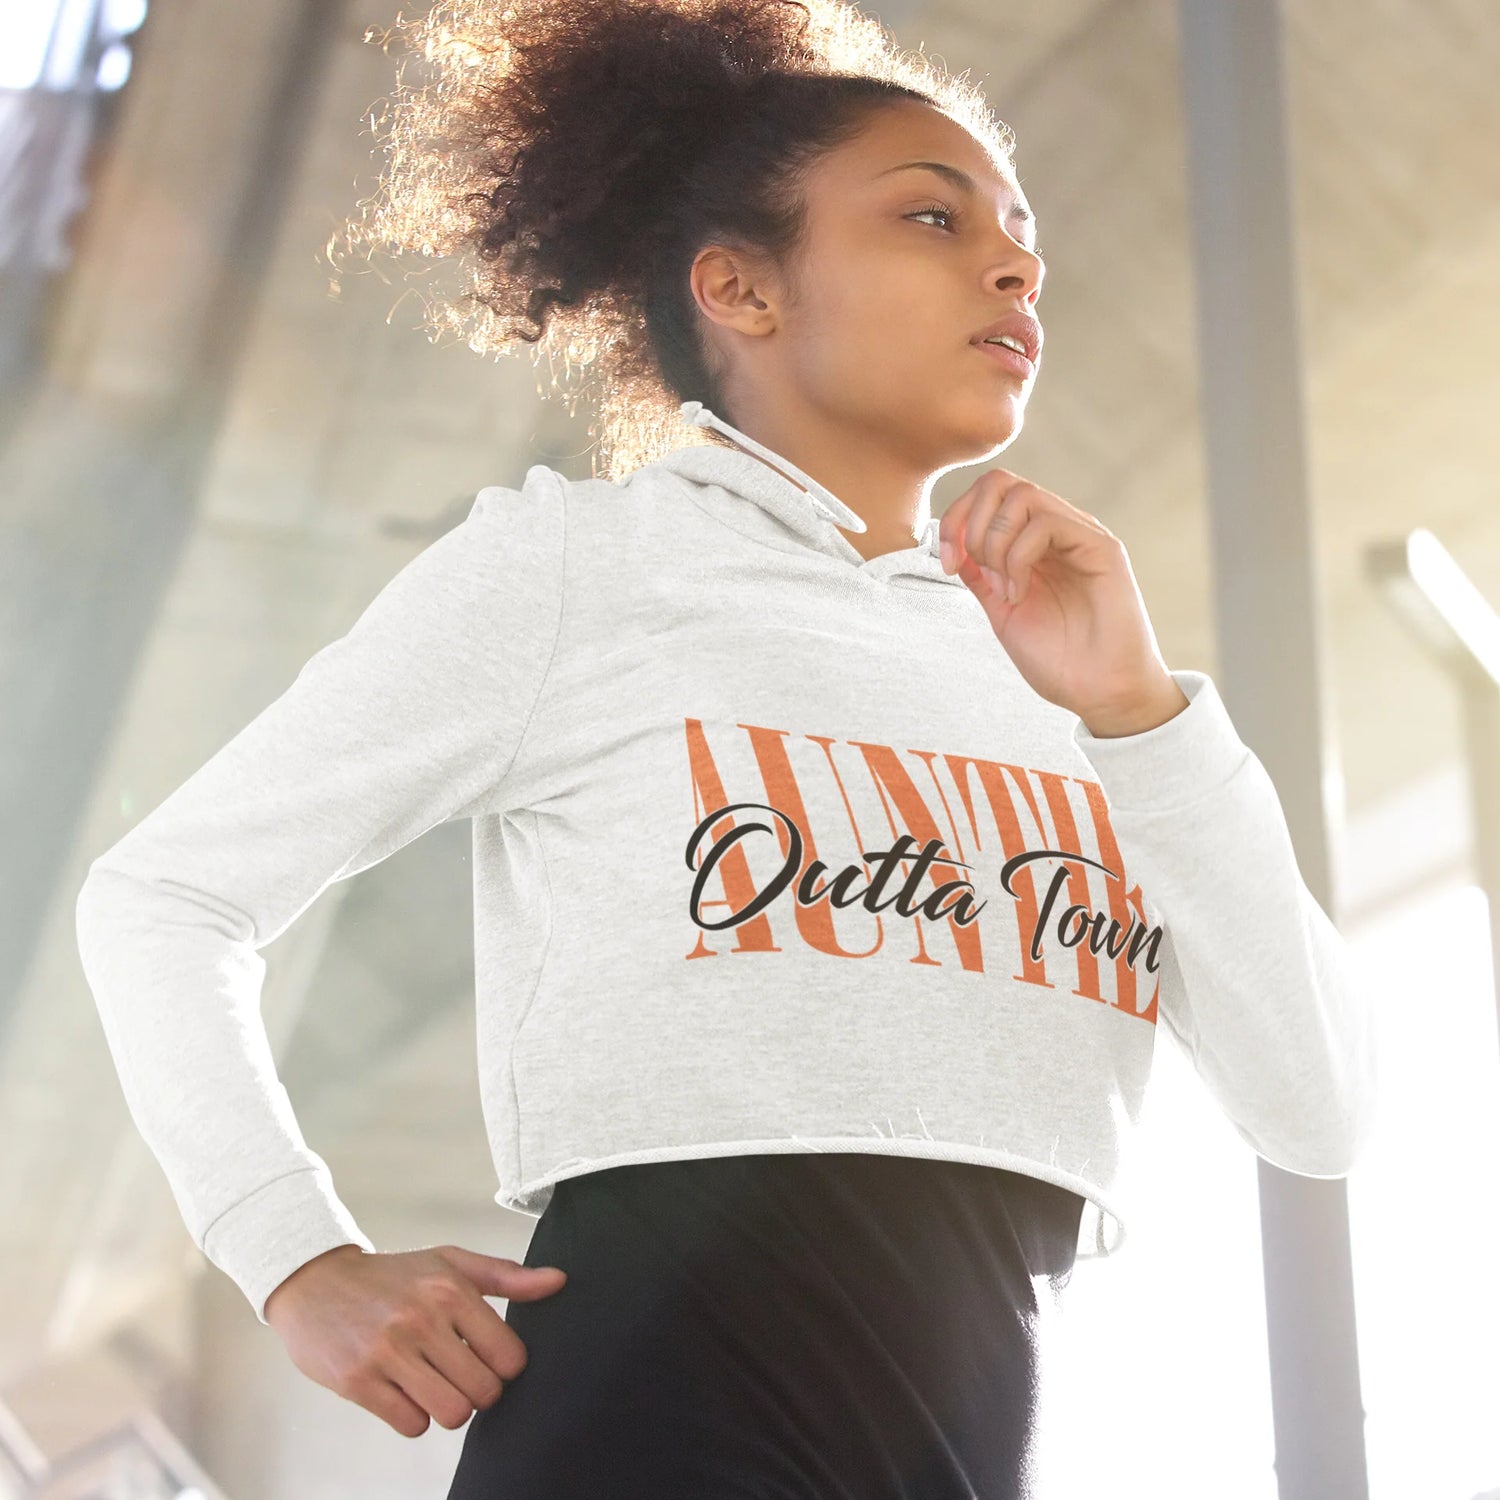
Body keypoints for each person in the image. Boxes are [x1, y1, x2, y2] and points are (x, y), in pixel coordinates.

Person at [74, 0, 1379, 1495]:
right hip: (653, 1430)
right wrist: (291, 1253)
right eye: (932, 218)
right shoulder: (574, 568)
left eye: (1021, 235)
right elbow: (162, 899)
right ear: (741, 288)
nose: (1015, 263)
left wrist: (1143, 715)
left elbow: (1317, 1109)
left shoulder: (1076, 668)